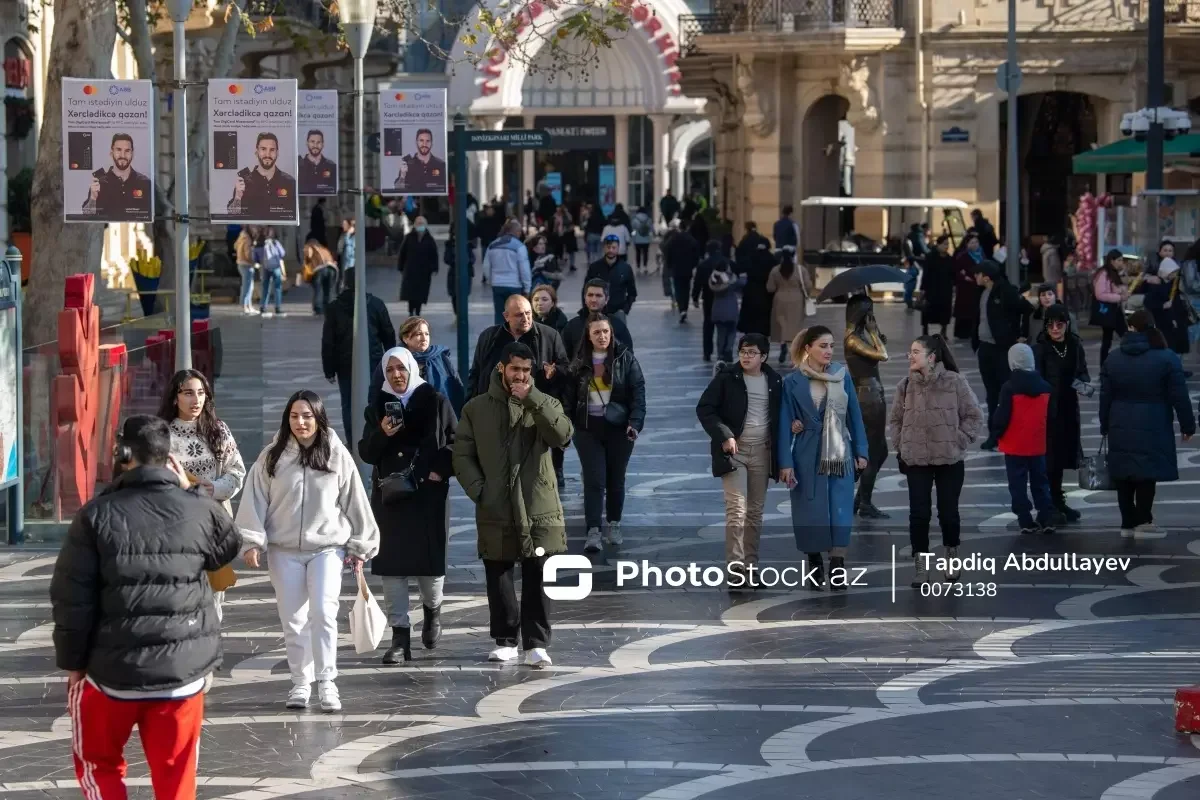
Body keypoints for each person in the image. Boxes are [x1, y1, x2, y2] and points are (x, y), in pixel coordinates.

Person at [51, 416, 242, 800]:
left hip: (111, 675)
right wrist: (190, 488)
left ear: (122, 454)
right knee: (176, 777)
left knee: (98, 764)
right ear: (170, 458)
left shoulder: (95, 516)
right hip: (181, 675)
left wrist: (75, 664)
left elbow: (71, 599)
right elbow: (228, 546)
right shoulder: (199, 511)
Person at [236, 390, 380, 711]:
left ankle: (328, 682)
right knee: (294, 620)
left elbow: (355, 498)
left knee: (324, 613)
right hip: (283, 550)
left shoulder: (335, 453)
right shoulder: (272, 456)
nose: (300, 423)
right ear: (287, 419)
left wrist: (361, 543)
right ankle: (301, 683)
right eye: (294, 416)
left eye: (307, 416)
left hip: (327, 549)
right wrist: (251, 540)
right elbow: (254, 500)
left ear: (318, 418)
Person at [452, 342, 574, 667]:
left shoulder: (546, 402)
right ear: (501, 369)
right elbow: (461, 453)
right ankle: (505, 639)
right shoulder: (476, 409)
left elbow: (562, 435)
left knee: (539, 574)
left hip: (539, 504)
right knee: (499, 572)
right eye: (515, 369)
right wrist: (480, 490)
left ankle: (536, 644)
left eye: (526, 370)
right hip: (497, 504)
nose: (520, 376)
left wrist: (532, 399)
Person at [359, 347, 456, 664]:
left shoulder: (436, 401)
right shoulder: (377, 409)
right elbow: (366, 452)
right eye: (390, 370)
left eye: (402, 368)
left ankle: (433, 610)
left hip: (428, 496)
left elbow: (457, 441)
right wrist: (383, 435)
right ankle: (400, 637)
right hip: (391, 496)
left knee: (429, 568)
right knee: (393, 569)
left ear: (413, 369)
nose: (397, 375)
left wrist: (440, 469)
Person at [887, 335, 983, 585]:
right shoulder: (905, 385)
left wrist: (958, 439)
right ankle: (921, 565)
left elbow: (974, 415)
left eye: (915, 352)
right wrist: (901, 444)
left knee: (948, 513)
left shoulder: (954, 382)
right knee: (918, 515)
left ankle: (951, 554)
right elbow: (896, 419)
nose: (910, 356)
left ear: (931, 357)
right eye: (910, 351)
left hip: (949, 460)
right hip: (915, 459)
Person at [778, 327, 869, 591]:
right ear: (808, 348)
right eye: (822, 345)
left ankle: (838, 564)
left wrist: (861, 451)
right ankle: (814, 561)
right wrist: (785, 462)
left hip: (840, 450)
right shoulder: (792, 381)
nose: (829, 351)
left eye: (831, 345)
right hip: (806, 451)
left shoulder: (842, 376)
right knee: (810, 509)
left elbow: (855, 415)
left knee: (840, 508)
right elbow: (785, 423)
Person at [157, 368, 246, 621]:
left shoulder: (218, 430)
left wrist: (214, 488)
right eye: (187, 393)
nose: (195, 400)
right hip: (174, 528)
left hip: (213, 524)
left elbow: (237, 472)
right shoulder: (161, 434)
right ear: (175, 397)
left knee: (213, 596)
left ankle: (209, 652)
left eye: (200, 393)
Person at [696, 333, 782, 589]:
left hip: (762, 453)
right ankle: (735, 569)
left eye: (752, 352)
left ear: (763, 357)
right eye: (743, 351)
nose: (746, 356)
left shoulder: (774, 381)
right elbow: (705, 408)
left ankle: (751, 568)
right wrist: (725, 435)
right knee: (736, 509)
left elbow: (782, 413)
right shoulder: (727, 378)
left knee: (755, 513)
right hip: (735, 453)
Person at [1100, 310, 1196, 537]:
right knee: (1146, 471)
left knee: (1123, 472)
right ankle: (1144, 521)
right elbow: (1179, 395)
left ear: (1130, 328)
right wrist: (1187, 425)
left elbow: (1105, 396)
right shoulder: (1167, 357)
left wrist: (1105, 424)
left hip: (1119, 420)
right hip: (1154, 420)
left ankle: (1127, 523)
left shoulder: (1113, 358)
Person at [564, 313, 646, 552]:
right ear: (588, 336)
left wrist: (635, 423)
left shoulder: (625, 359)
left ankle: (614, 523)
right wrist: (568, 427)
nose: (602, 336)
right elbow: (568, 398)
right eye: (597, 332)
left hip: (619, 429)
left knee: (615, 479)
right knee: (594, 480)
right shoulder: (579, 363)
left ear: (612, 333)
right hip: (587, 429)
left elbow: (638, 394)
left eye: (605, 332)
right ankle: (593, 530)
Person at [322, 267, 397, 440]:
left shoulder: (334, 308)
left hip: (345, 363)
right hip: (374, 361)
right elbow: (388, 333)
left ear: (344, 283)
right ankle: (374, 436)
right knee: (375, 399)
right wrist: (391, 359)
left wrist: (329, 369)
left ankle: (353, 439)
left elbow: (328, 342)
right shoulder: (375, 304)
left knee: (348, 403)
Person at [990, 343, 1058, 535]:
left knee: (1017, 483)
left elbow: (1002, 416)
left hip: (1014, 444)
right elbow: (1052, 416)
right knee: (1040, 480)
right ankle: (1046, 516)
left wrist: (996, 434)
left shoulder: (1009, 388)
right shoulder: (1046, 387)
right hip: (1037, 443)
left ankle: (1025, 519)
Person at [1034, 304, 1090, 522]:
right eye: (1051, 324)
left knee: (1062, 458)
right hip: (1047, 411)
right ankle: (1047, 506)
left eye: (1060, 324)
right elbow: (1035, 379)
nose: (1055, 328)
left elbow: (1083, 371)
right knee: (1048, 460)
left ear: (1067, 324)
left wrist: (1083, 384)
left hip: (1068, 408)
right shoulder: (1040, 348)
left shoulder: (1075, 345)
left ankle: (1057, 501)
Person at [972, 259, 1033, 449]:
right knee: (991, 394)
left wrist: (1021, 335)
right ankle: (994, 435)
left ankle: (1009, 431)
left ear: (986, 276)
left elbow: (1027, 309)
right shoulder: (983, 293)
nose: (975, 277)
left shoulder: (1006, 291)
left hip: (1003, 350)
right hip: (986, 349)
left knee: (1005, 393)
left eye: (978, 273)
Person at [466, 294, 569, 400]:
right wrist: (469, 406)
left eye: (528, 313)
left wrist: (554, 372)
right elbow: (475, 373)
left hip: (535, 408)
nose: (525, 319)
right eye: (519, 315)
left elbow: (565, 369)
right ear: (506, 316)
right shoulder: (488, 337)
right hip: (494, 407)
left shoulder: (550, 336)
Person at [844, 295, 890, 519]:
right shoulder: (852, 338)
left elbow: (880, 347)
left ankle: (860, 498)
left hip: (874, 394)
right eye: (869, 312)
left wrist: (875, 332)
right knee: (873, 452)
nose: (872, 316)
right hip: (867, 397)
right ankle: (865, 502)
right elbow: (883, 355)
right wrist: (873, 332)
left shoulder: (861, 335)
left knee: (882, 452)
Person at [81, 133, 152, 220]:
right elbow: (87, 215)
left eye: (127, 151)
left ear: (132, 154)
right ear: (111, 152)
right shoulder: (100, 182)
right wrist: (93, 198)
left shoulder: (145, 182)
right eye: (118, 150)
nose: (123, 155)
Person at [227, 132, 297, 219]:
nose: (267, 154)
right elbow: (232, 215)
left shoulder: (289, 182)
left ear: (277, 153)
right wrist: (238, 197)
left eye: (272, 150)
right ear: (257, 152)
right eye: (263, 149)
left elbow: (294, 215)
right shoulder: (244, 182)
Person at [563, 279, 634, 358]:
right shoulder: (572, 326)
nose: (593, 300)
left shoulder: (617, 325)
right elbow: (563, 357)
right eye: (590, 295)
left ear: (606, 299)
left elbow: (628, 357)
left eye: (598, 295)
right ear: (585, 298)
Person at [765, 248, 811, 365]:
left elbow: (770, 287)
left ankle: (783, 346)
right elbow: (808, 286)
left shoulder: (775, 270)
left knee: (782, 327)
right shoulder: (801, 270)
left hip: (780, 299)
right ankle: (793, 357)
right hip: (796, 300)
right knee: (794, 329)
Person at [483, 219, 532, 325]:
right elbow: (524, 269)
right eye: (519, 232)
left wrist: (490, 281)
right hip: (514, 286)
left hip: (498, 285)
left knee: (500, 315)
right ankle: (513, 338)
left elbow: (486, 266)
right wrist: (527, 287)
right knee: (516, 315)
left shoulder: (493, 245)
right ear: (516, 232)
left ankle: (500, 338)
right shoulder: (519, 246)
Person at [1091, 248, 1130, 367]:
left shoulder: (1113, 273)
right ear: (1112, 261)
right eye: (1119, 260)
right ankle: (1109, 364)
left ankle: (1106, 365)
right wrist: (1119, 297)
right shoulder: (1104, 274)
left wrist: (1122, 291)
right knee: (1123, 336)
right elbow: (1100, 294)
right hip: (1109, 311)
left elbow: (1115, 288)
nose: (1121, 262)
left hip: (1114, 310)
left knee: (1111, 339)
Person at [585, 234, 638, 319]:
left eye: (614, 247)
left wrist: (625, 309)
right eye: (608, 247)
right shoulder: (594, 267)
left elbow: (632, 292)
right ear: (604, 247)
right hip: (597, 312)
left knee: (619, 332)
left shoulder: (625, 268)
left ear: (618, 248)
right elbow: (585, 289)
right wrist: (588, 309)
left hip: (618, 312)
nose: (611, 250)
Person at [709, 249, 746, 363]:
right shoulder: (731, 279)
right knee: (731, 332)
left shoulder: (714, 279)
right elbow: (743, 283)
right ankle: (728, 349)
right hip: (731, 309)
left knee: (720, 333)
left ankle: (720, 353)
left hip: (717, 310)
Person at [736, 233, 776, 339]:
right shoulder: (772, 259)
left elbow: (741, 270)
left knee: (750, 317)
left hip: (751, 291)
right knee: (764, 317)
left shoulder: (750, 257)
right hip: (766, 292)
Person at [398, 215, 439, 316]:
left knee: (420, 293)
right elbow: (402, 253)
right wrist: (401, 266)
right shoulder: (409, 238)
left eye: (422, 224)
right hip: (411, 270)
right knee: (411, 293)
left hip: (424, 272)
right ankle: (411, 311)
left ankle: (418, 311)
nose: (420, 226)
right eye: (418, 224)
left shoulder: (429, 239)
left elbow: (434, 254)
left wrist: (434, 268)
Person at [663, 219, 702, 322]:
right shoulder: (691, 239)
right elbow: (696, 254)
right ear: (687, 228)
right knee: (686, 288)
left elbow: (667, 251)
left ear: (679, 228)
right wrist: (693, 265)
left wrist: (669, 264)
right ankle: (685, 308)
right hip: (687, 268)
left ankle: (682, 310)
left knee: (678, 289)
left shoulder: (673, 239)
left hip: (676, 268)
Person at [919, 234, 954, 336]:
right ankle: (925, 330)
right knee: (928, 310)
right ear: (938, 245)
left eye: (948, 244)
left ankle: (944, 331)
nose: (946, 246)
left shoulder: (949, 259)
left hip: (946, 289)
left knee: (945, 311)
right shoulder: (930, 257)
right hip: (932, 289)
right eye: (944, 244)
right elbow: (926, 274)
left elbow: (952, 274)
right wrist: (923, 289)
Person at [394, 128, 447, 193]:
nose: (424, 144)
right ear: (416, 142)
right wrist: (402, 176)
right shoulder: (407, 164)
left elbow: (445, 189)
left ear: (432, 143)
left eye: (428, 141)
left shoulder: (441, 164)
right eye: (421, 140)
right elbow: (398, 189)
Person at [953, 234, 984, 340]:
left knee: (976, 309)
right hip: (965, 288)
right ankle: (963, 333)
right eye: (972, 242)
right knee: (965, 310)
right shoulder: (962, 256)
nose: (975, 245)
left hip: (979, 286)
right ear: (967, 244)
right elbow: (957, 271)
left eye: (976, 242)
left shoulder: (981, 255)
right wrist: (965, 277)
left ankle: (975, 331)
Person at [256, 227, 288, 318]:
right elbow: (282, 253)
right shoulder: (275, 242)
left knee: (265, 287)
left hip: (265, 268)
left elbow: (256, 255)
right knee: (277, 288)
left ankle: (263, 307)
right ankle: (277, 307)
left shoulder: (260, 243)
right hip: (276, 267)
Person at [304, 240, 339, 316]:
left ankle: (318, 308)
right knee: (329, 290)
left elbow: (308, 258)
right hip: (332, 269)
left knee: (318, 290)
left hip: (319, 270)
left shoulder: (310, 248)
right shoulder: (324, 249)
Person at [298, 130, 338, 196]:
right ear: (307, 143)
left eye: (318, 142)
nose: (315, 145)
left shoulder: (332, 166)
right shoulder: (298, 165)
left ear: (323, 144)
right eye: (312, 142)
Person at [234, 225, 259, 315]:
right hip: (246, 265)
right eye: (254, 228)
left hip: (240, 263)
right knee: (247, 287)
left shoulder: (241, 236)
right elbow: (248, 254)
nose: (256, 230)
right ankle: (245, 306)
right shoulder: (247, 239)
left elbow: (235, 246)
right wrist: (254, 263)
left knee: (249, 286)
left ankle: (249, 306)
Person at [631, 206, 653, 274]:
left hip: (637, 239)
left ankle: (638, 267)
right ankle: (645, 267)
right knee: (645, 253)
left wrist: (633, 237)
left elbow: (633, 229)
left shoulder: (635, 219)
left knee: (638, 253)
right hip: (646, 239)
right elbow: (651, 229)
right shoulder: (649, 219)